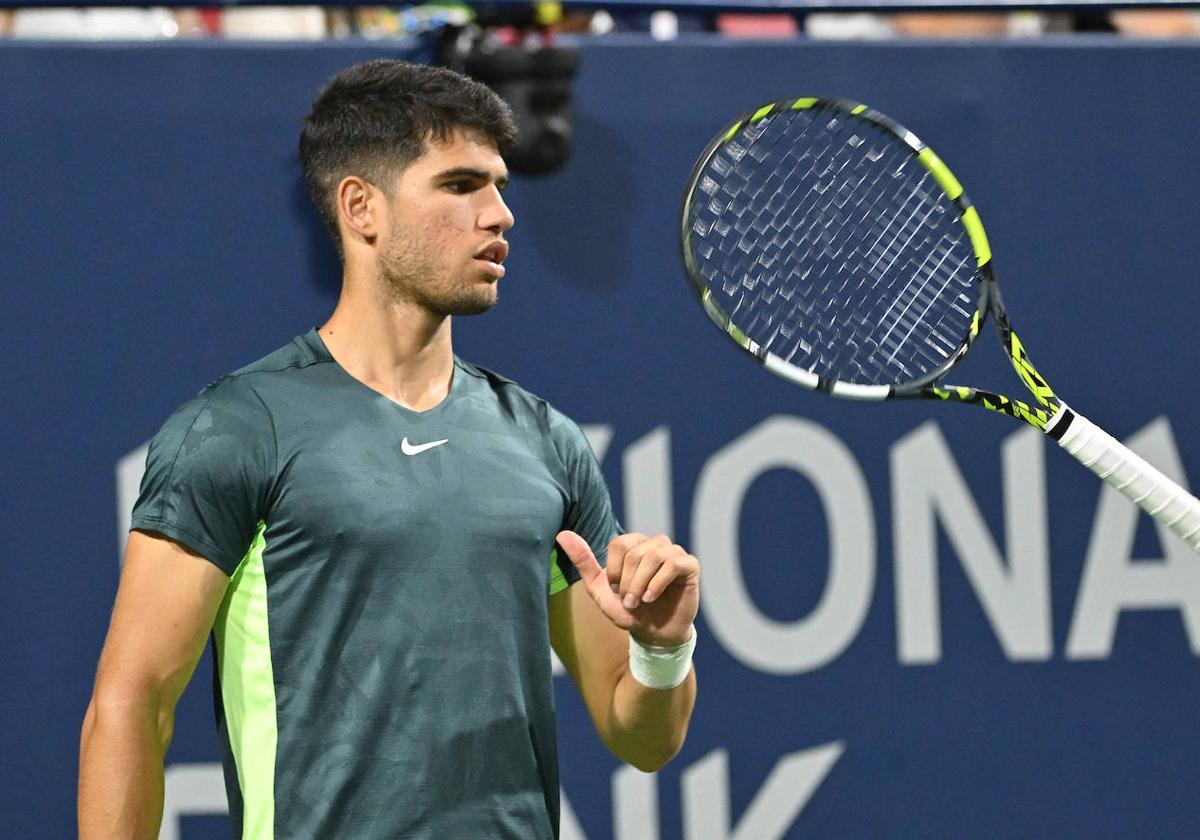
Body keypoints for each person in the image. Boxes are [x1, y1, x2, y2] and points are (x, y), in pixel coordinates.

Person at [78, 59, 699, 839]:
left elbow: (642, 736)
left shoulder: (546, 441)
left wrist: (663, 649)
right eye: (461, 185)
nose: (500, 214)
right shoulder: (239, 428)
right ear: (361, 208)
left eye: (500, 186)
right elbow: (130, 705)